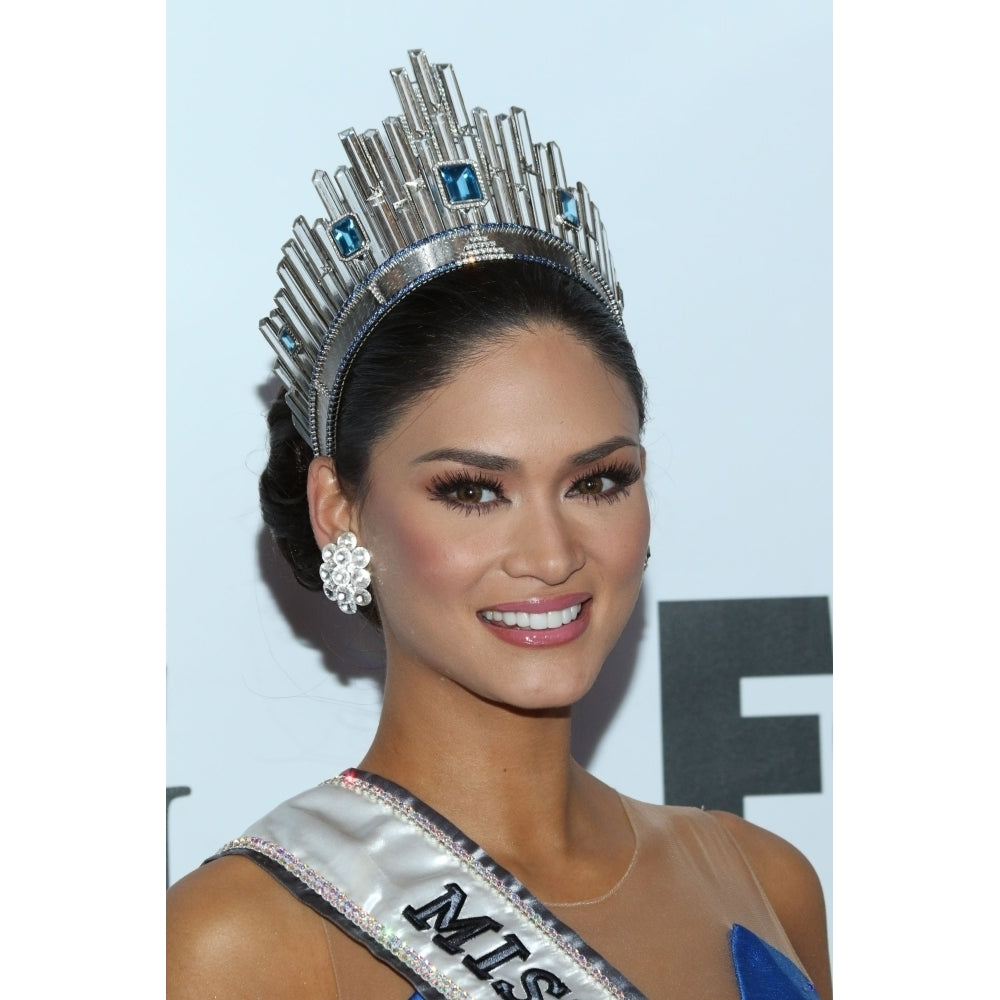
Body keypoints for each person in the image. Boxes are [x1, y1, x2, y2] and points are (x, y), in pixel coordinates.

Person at [166, 50, 832, 1000]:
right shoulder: (236, 945)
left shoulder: (767, 884)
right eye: (473, 492)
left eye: (598, 481)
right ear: (339, 508)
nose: (553, 555)